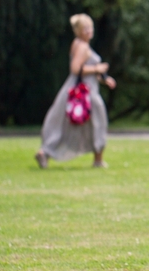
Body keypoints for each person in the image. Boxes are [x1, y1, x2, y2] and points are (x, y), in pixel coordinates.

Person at [35, 13, 116, 169]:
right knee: (98, 122)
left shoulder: (77, 44)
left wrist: (104, 78)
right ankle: (98, 160)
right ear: (78, 31)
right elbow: (75, 69)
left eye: (90, 27)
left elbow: (85, 71)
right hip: (85, 93)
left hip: (76, 89)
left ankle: (45, 152)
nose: (88, 31)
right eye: (85, 28)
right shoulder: (83, 46)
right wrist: (97, 68)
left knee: (63, 125)